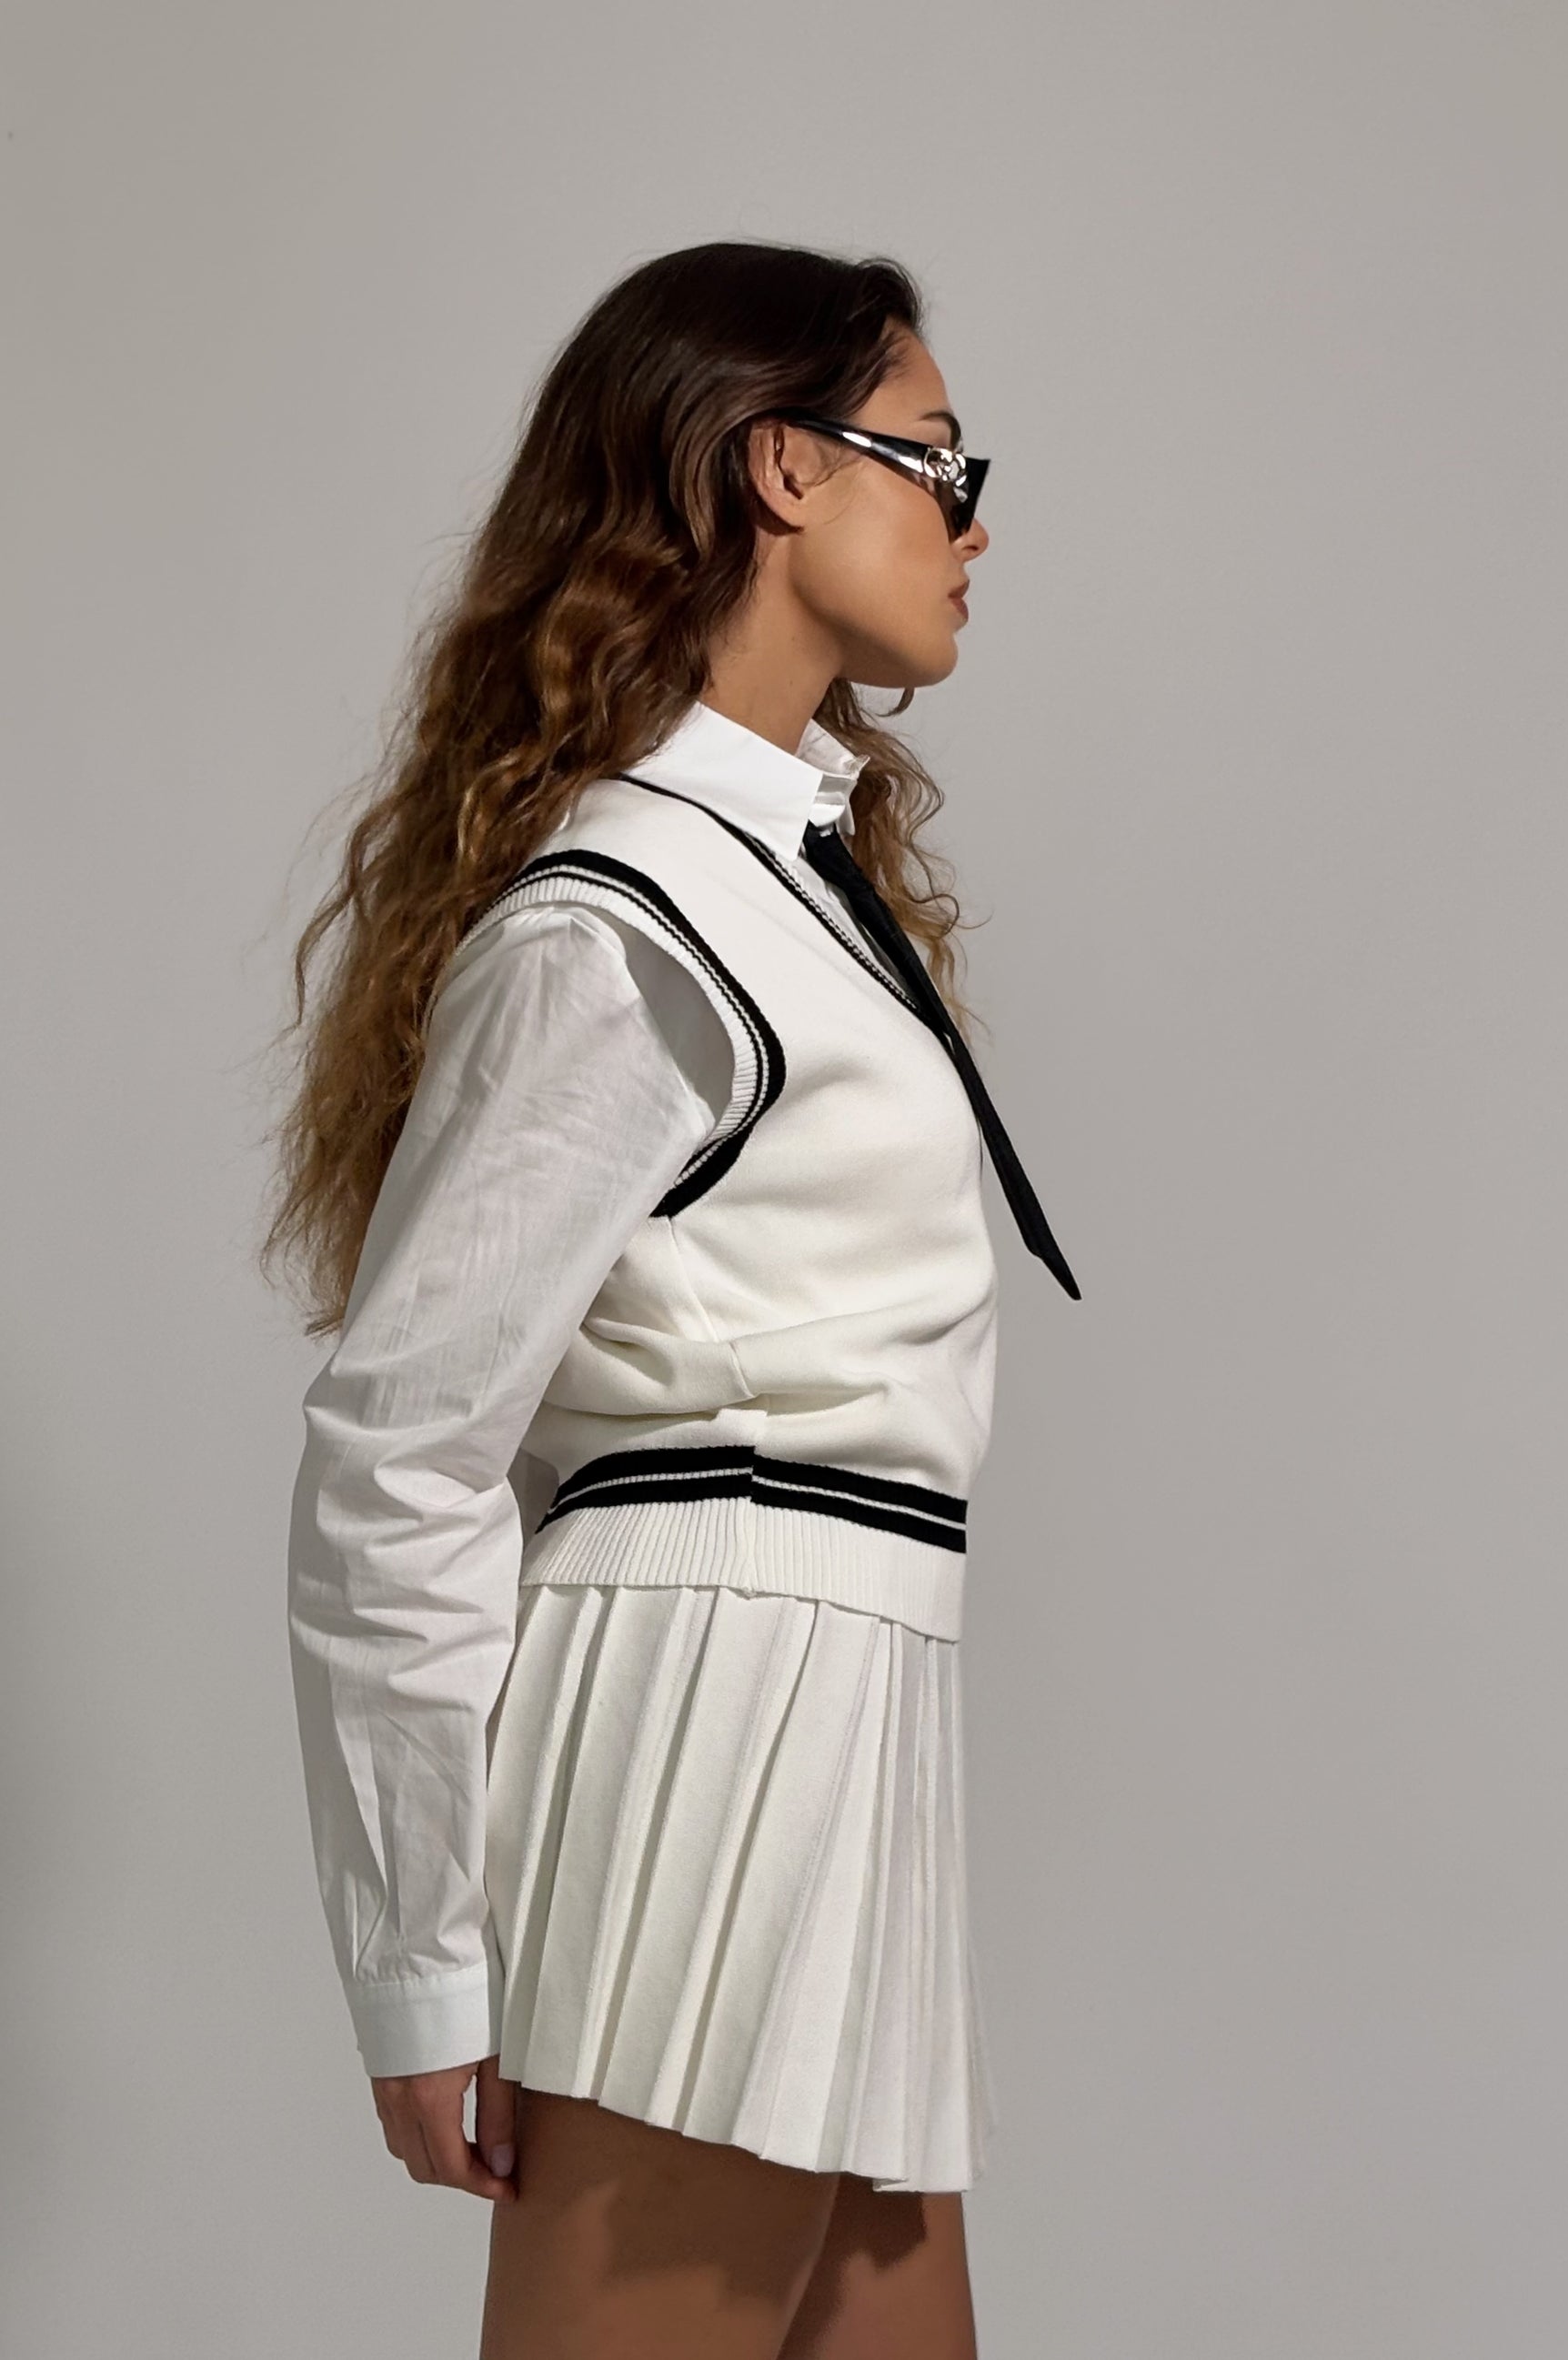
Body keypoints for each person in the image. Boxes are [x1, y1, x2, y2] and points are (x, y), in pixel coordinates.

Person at [263, 237, 1079, 2358]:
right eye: (936, 459)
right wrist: (419, 1954)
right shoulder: (620, 923)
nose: (972, 521)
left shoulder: (782, 882)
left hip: (849, 1693)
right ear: (779, 469)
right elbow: (400, 1446)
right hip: (718, 1715)